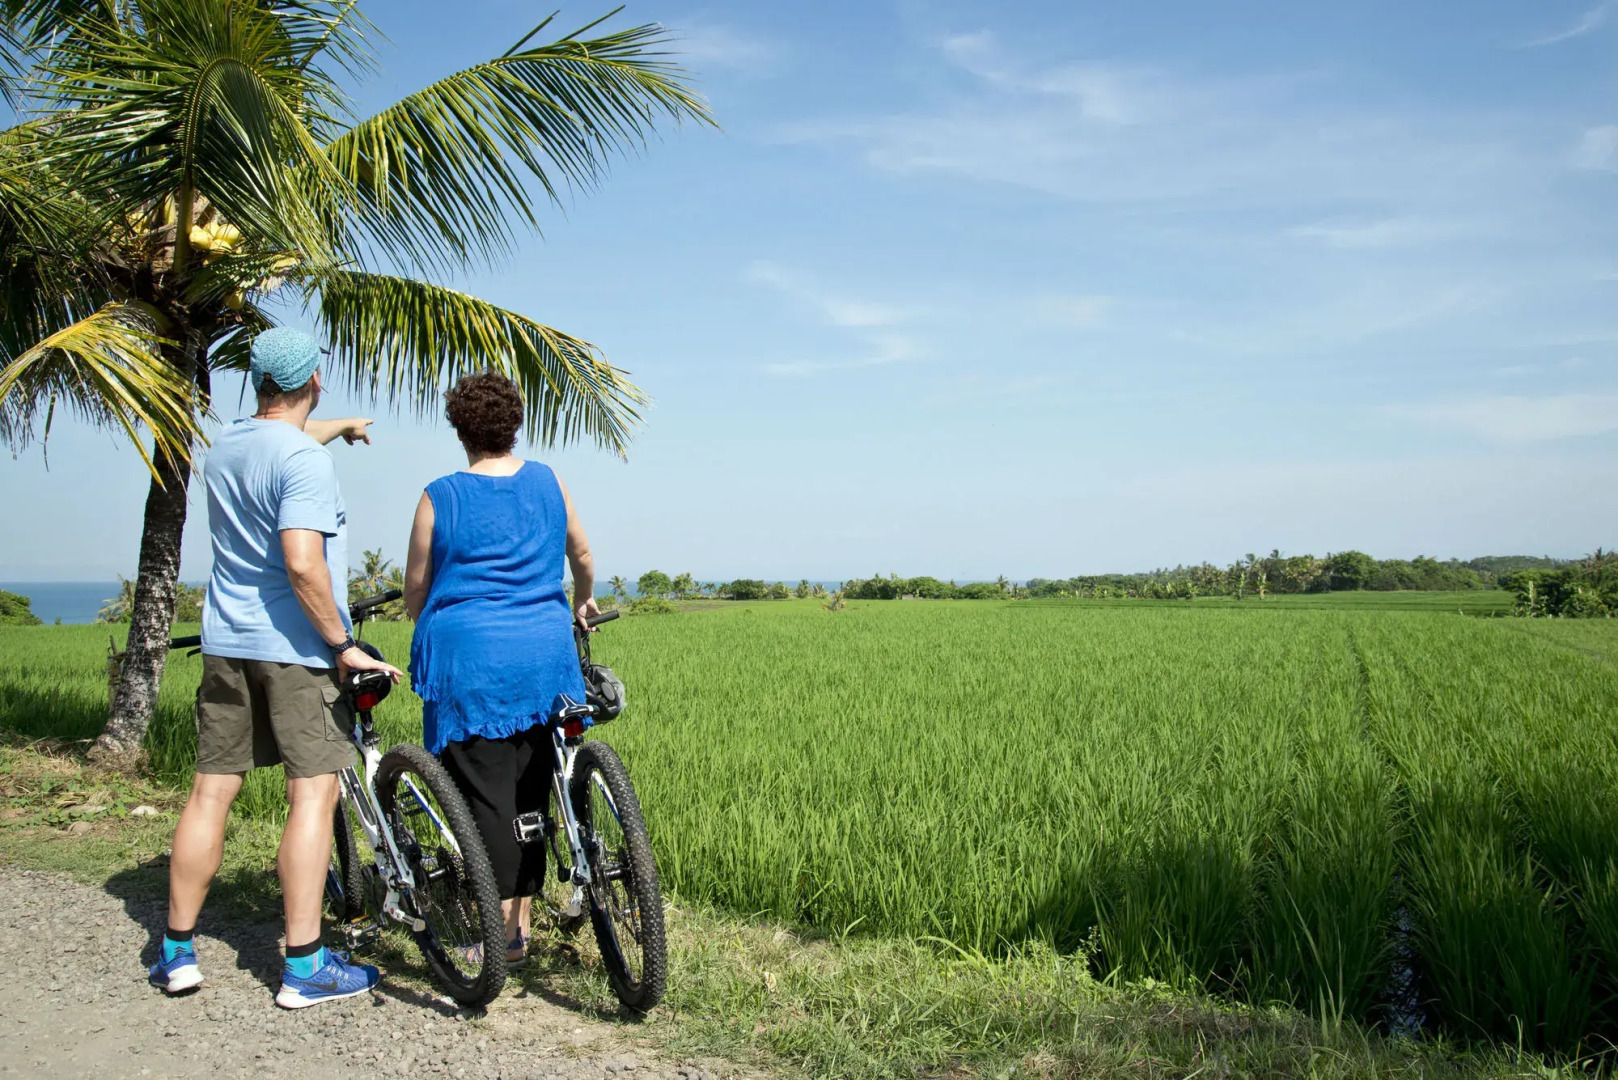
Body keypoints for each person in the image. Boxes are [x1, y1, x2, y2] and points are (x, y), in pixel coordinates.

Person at [148, 327, 402, 1009]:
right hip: (294, 651)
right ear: (315, 379)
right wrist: (342, 642)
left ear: (258, 381)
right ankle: (304, 965)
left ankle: (175, 954)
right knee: (312, 795)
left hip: (226, 644)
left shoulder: (226, 445)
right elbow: (301, 562)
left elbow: (280, 444)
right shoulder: (304, 463)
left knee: (211, 791)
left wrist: (336, 426)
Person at [404, 371, 597, 968]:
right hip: (544, 654)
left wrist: (430, 611)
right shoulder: (546, 480)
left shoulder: (440, 494)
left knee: (485, 797)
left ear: (460, 430)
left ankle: (497, 934)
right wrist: (583, 599)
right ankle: (520, 925)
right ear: (515, 425)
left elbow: (415, 591)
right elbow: (583, 557)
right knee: (533, 789)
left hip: (472, 663)